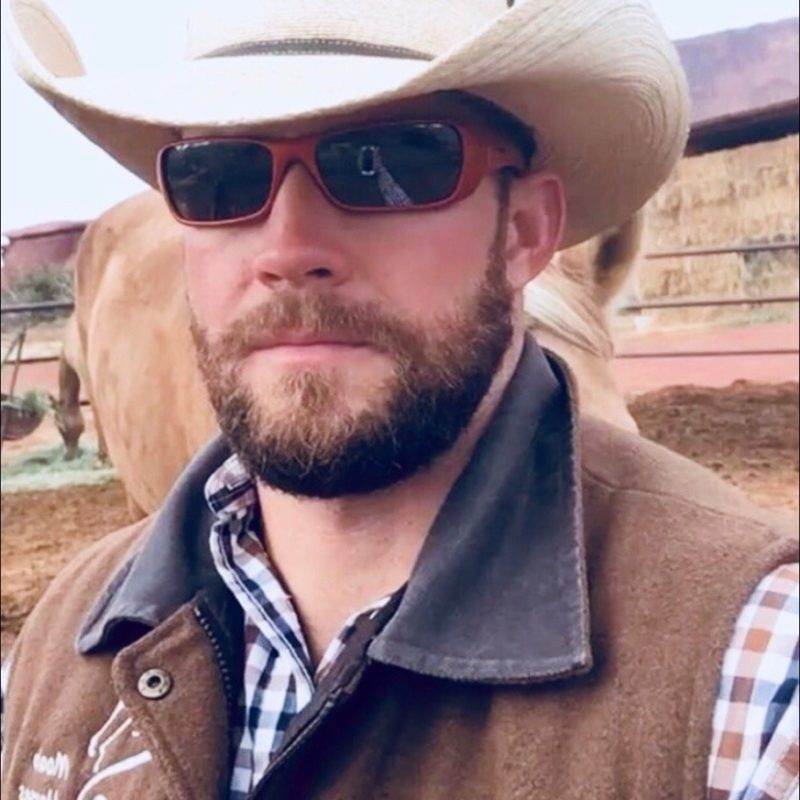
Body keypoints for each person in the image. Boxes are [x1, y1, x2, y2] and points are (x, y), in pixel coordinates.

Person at [2, 0, 797, 798]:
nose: (288, 249)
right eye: (220, 178)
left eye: (383, 166)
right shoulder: (55, 651)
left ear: (525, 230)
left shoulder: (752, 682)